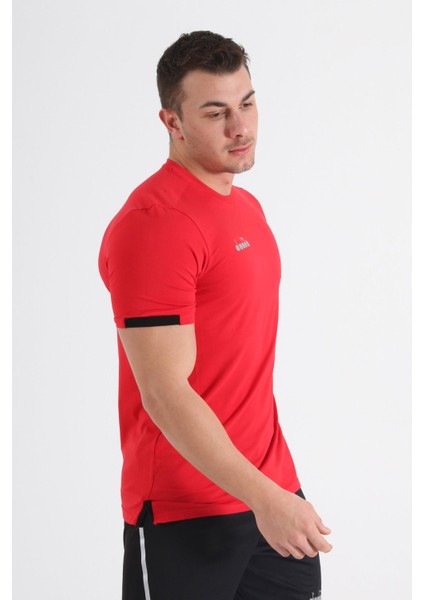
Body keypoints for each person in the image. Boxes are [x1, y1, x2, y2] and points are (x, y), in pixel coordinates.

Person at [98, 30, 332, 600]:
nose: (240, 127)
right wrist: (264, 497)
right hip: (187, 511)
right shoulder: (155, 225)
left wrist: (273, 495)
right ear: (172, 122)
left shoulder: (244, 206)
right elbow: (164, 393)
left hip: (271, 493)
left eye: (247, 103)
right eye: (215, 113)